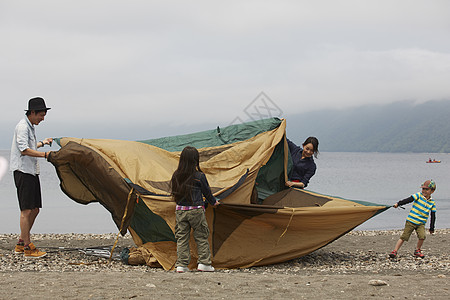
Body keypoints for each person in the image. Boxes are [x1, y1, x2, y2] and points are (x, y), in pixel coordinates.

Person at [10, 97, 53, 258]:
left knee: (35, 209)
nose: (42, 119)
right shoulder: (22, 127)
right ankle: (28, 247)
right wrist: (45, 155)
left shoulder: (30, 127)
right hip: (23, 171)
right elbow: (24, 150)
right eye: (41, 115)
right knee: (26, 210)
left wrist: (43, 143)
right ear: (32, 112)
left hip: (32, 172)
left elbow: (29, 146)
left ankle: (21, 242)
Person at [170, 146, 220, 273]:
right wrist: (214, 202)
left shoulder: (176, 175)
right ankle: (204, 263)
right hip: (196, 210)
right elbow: (207, 193)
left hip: (180, 211)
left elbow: (174, 194)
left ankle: (181, 265)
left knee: (182, 238)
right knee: (201, 236)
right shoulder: (199, 176)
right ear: (195, 160)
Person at [389, 179, 437, 259]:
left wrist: (432, 228)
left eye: (426, 189)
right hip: (411, 221)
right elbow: (408, 200)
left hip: (421, 223)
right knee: (404, 237)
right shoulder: (418, 195)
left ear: (432, 191)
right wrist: (398, 204)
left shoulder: (432, 202)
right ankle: (395, 251)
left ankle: (417, 250)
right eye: (423, 189)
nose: (424, 191)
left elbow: (433, 215)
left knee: (422, 236)